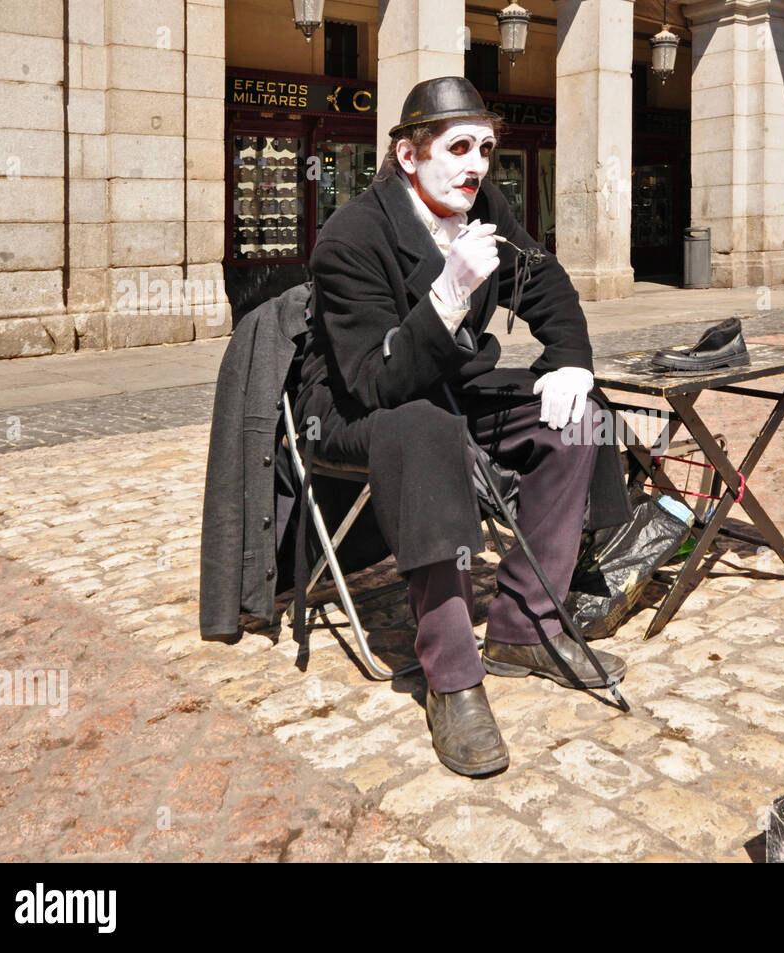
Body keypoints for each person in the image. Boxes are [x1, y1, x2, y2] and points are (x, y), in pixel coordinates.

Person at [294, 76, 632, 778]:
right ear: (409, 156)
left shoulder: (485, 207)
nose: (476, 164)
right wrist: (447, 295)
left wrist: (571, 360)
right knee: (423, 428)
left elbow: (542, 279)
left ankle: (525, 628)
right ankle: (452, 677)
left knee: (577, 418)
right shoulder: (353, 234)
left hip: (451, 385)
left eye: (485, 147)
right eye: (457, 147)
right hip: (357, 409)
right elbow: (372, 381)